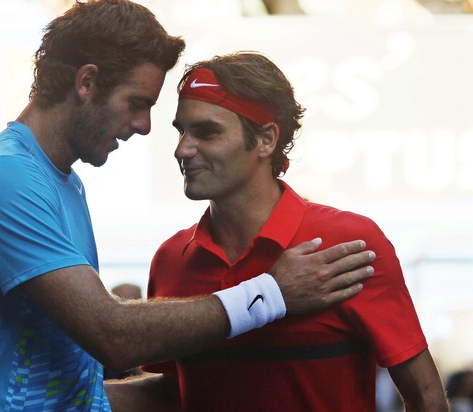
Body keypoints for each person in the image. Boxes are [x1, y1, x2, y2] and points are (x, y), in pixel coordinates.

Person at [0, 1, 376, 410]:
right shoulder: (2, 175)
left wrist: (260, 373)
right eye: (136, 104)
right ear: (87, 82)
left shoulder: (60, 183)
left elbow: (72, 395)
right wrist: (271, 295)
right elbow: (112, 335)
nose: (143, 127)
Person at [105, 52, 449, 411]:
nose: (182, 149)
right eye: (181, 131)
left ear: (267, 139)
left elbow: (425, 396)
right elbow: (174, 395)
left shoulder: (350, 241)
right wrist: (57, 397)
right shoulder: (171, 259)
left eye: (207, 132)